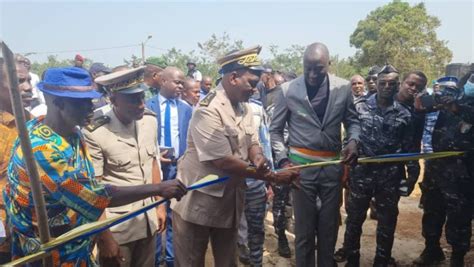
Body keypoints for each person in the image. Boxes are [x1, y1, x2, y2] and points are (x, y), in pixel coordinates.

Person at [3, 67, 187, 266]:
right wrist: (159, 189)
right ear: (58, 103)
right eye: (81, 104)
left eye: (91, 101)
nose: (90, 108)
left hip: (77, 244)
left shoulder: (72, 133)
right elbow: (95, 195)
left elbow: (90, 179)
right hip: (48, 252)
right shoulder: (41, 149)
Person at [171, 46, 299, 267]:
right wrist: (272, 177)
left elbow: (252, 141)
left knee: (228, 262)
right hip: (198, 203)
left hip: (230, 201)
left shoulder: (245, 107)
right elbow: (222, 160)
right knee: (191, 262)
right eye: (251, 82)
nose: (255, 88)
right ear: (233, 78)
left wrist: (258, 157)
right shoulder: (207, 109)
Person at [270, 42, 360, 267]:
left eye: (318, 69)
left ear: (328, 65)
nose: (311, 74)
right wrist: (283, 160)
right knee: (304, 232)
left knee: (329, 230)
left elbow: (353, 121)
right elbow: (275, 130)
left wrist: (353, 141)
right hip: (301, 172)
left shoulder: (343, 88)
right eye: (307, 67)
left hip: (332, 170)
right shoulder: (287, 90)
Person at [83, 66, 167, 267]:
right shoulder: (95, 132)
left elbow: (153, 162)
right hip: (118, 227)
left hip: (148, 218)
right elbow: (95, 191)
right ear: (113, 100)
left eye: (141, 97)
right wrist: (105, 238)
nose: (140, 105)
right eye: (132, 100)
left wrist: (160, 204)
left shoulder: (150, 120)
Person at [342, 65, 416, 267]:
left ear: (397, 86)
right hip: (362, 173)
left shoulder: (405, 114)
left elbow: (410, 149)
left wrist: (412, 175)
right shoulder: (359, 107)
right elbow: (348, 139)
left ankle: (381, 261)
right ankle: (352, 259)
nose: (386, 87)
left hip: (389, 177)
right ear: (376, 83)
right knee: (355, 220)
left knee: (387, 223)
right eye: (382, 83)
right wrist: (346, 167)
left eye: (391, 84)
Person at [413, 76, 473, 267]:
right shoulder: (436, 111)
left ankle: (457, 258)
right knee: (431, 212)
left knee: (459, 217)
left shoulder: (466, 108)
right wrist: (420, 109)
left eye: (448, 92)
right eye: (440, 92)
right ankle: (432, 250)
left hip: (461, 174)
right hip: (434, 170)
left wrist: (456, 108)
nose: (443, 97)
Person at [146, 66, 192, 267]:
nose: (181, 86)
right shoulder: (147, 106)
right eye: (177, 82)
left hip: (177, 168)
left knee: (175, 216)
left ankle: (172, 260)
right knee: (154, 214)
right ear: (163, 81)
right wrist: (156, 155)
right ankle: (156, 259)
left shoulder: (186, 108)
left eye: (183, 82)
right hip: (153, 168)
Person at [0, 55, 33, 264]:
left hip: (34, 235)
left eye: (29, 80)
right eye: (19, 81)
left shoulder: (33, 124)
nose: (28, 87)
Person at [237, 95, 273, 266]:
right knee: (231, 230)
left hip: (256, 184)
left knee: (257, 229)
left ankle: (256, 261)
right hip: (232, 184)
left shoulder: (256, 111)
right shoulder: (215, 112)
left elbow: (265, 146)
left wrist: (270, 182)